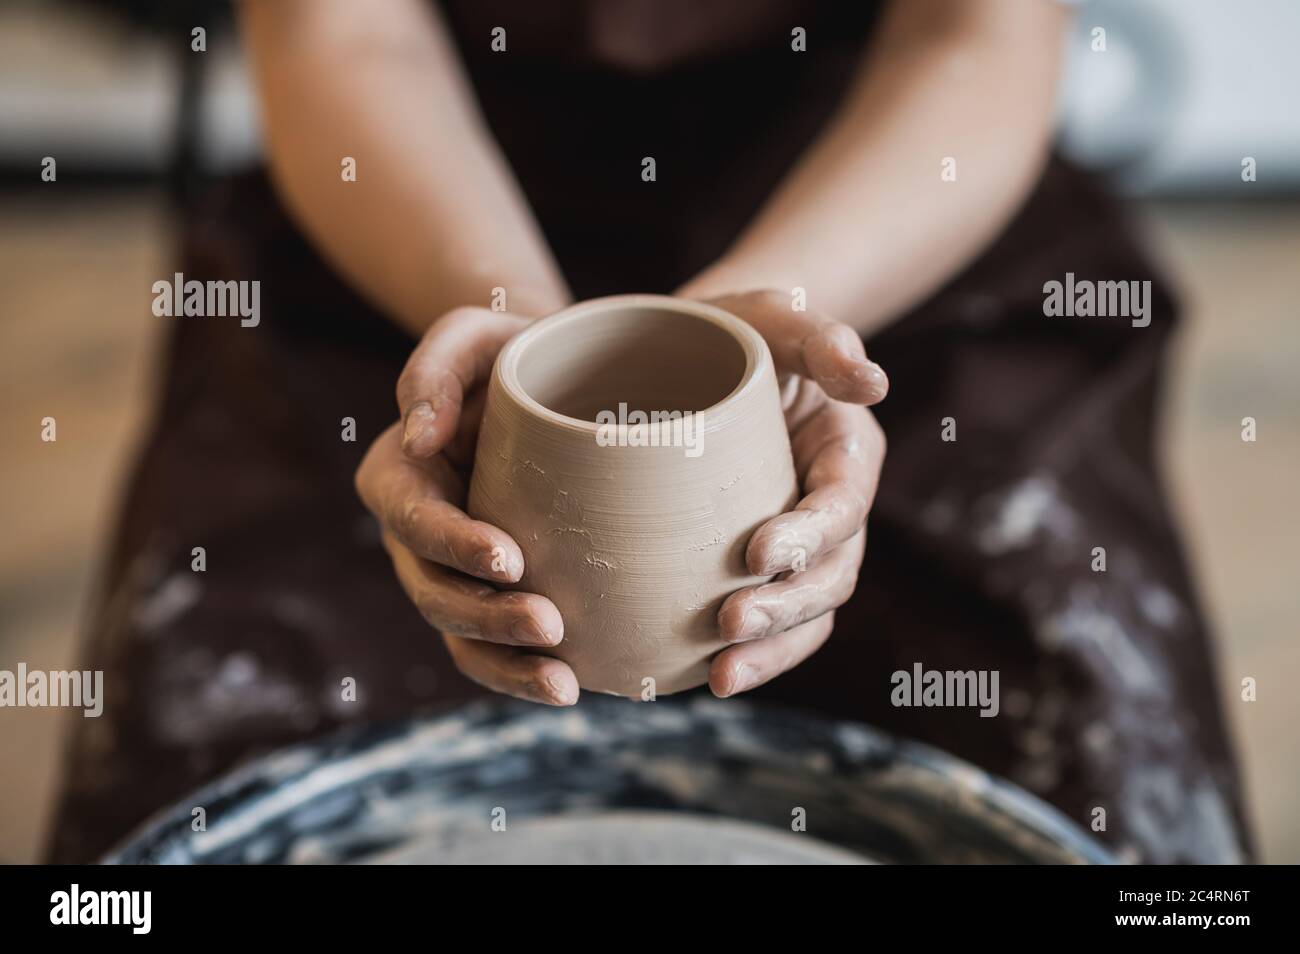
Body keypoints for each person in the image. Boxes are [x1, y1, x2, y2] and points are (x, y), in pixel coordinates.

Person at [49, 0, 1251, 863]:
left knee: (1101, 776)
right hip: (418, 204)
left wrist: (780, 317)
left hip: (883, 208)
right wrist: (510, 343)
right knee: (206, 770)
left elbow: (977, 31)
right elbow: (342, 27)